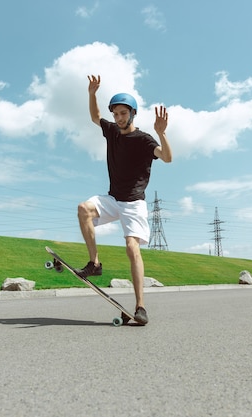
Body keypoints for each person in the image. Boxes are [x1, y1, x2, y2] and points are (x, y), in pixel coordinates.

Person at [76, 74, 173, 325]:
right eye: (115, 114)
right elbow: (95, 117)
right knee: (84, 209)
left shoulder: (143, 139)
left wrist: (162, 134)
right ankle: (94, 263)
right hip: (113, 198)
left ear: (132, 114)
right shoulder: (112, 132)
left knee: (132, 248)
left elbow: (167, 157)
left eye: (123, 114)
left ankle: (140, 306)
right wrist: (91, 94)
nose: (118, 118)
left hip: (134, 203)